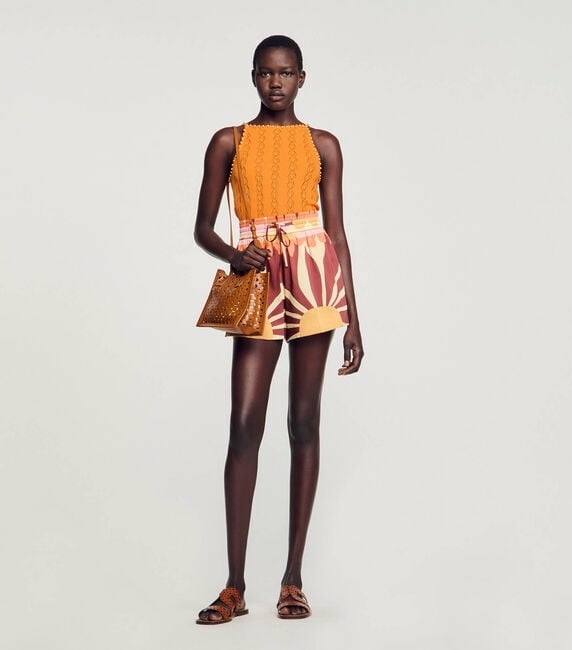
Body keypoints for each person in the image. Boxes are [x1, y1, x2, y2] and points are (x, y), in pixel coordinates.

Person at [193, 34, 364, 624]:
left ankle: (293, 580)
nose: (276, 82)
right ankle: (234, 586)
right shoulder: (229, 141)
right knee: (244, 424)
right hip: (258, 272)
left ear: (302, 78)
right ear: (253, 77)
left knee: (304, 420)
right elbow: (202, 228)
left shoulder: (323, 145)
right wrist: (232, 255)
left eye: (286, 73)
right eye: (266, 73)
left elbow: (337, 234)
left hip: (314, 276)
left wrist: (353, 319)